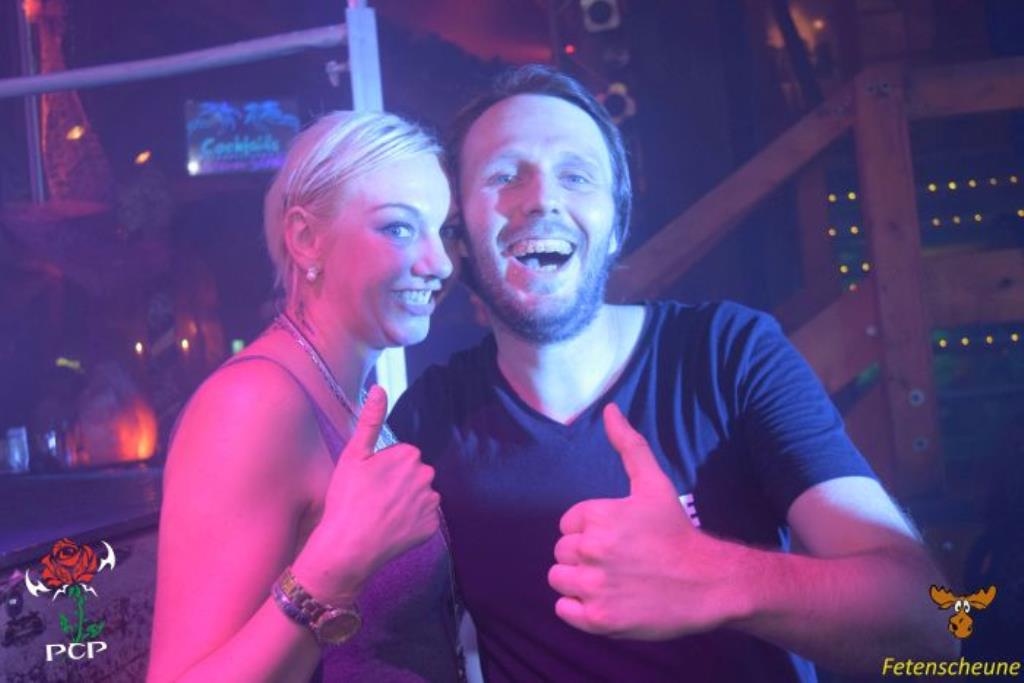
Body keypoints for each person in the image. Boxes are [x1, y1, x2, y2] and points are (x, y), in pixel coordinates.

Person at [390, 65, 957, 682]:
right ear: (459, 236)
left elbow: (931, 629)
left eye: (576, 176)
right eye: (504, 175)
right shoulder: (428, 421)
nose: (543, 198)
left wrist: (714, 577)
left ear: (615, 227)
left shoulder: (726, 354)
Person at [148, 111, 463, 682]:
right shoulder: (251, 405)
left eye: (443, 231)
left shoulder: (349, 394)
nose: (438, 263)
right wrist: (337, 565)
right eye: (399, 228)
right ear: (306, 239)